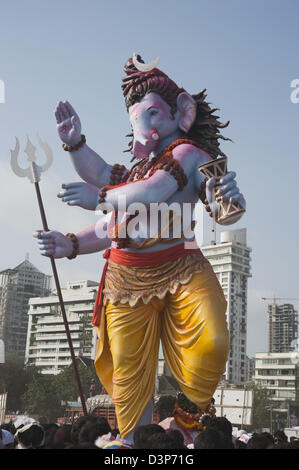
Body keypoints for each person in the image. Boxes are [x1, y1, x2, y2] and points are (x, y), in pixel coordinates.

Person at [34, 53, 246, 440]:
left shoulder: (188, 153)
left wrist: (229, 200)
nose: (145, 128)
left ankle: (185, 419)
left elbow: (161, 192)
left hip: (182, 268)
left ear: (182, 112)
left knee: (213, 341)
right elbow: (108, 205)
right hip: (126, 277)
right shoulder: (133, 176)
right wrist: (75, 144)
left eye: (153, 115)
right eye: (138, 120)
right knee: (130, 374)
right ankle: (134, 442)